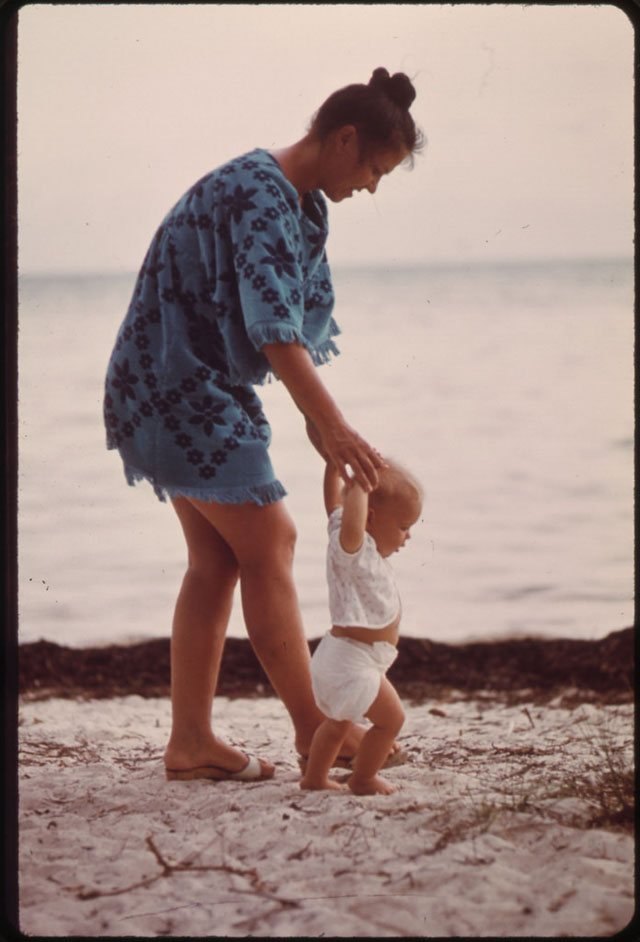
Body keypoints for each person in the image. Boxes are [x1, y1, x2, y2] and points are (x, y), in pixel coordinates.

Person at [103, 67, 423, 783]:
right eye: (375, 168)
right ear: (344, 139)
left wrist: (319, 422)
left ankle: (191, 742)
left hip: (177, 382)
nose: (372, 186)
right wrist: (334, 427)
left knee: (216, 561)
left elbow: (286, 332)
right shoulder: (260, 193)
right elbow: (273, 331)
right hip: (174, 385)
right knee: (271, 538)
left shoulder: (299, 203)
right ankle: (314, 728)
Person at [300, 459, 423, 795]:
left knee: (337, 724)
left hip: (340, 657)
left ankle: (314, 779)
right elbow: (349, 516)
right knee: (392, 721)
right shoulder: (353, 550)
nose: (408, 535)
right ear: (369, 518)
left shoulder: (347, 537)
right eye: (403, 526)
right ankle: (363, 779)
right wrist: (360, 484)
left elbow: (333, 506)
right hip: (353, 662)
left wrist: (333, 467)